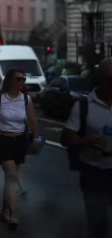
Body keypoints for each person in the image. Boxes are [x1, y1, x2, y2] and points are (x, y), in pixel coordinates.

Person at [63, 58, 112, 238]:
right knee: (98, 222)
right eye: (109, 78)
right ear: (100, 80)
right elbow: (67, 135)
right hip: (94, 173)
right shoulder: (84, 105)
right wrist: (87, 142)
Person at [0, 69, 39, 227]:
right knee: (11, 174)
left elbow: (32, 121)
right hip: (2, 139)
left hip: (20, 140)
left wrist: (35, 138)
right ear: (9, 80)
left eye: (23, 79)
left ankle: (5, 210)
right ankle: (13, 214)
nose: (21, 82)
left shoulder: (26, 100)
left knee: (10, 178)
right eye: (18, 79)